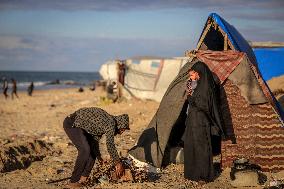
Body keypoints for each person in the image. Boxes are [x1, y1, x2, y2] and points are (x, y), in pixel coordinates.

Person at [63, 107, 129, 188]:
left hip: (81, 127)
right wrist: (117, 162)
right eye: (123, 129)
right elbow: (110, 144)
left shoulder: (103, 124)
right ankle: (73, 181)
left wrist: (99, 157)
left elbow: (94, 143)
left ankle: (83, 180)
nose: (121, 133)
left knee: (92, 154)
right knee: (85, 150)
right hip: (71, 124)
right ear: (120, 124)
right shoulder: (110, 123)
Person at [183, 61, 224, 182]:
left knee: (202, 148)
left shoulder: (206, 87)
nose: (191, 77)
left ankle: (204, 175)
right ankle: (193, 173)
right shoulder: (197, 84)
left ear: (198, 73)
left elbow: (204, 105)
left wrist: (191, 98)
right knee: (192, 145)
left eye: (192, 75)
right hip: (193, 119)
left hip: (201, 121)